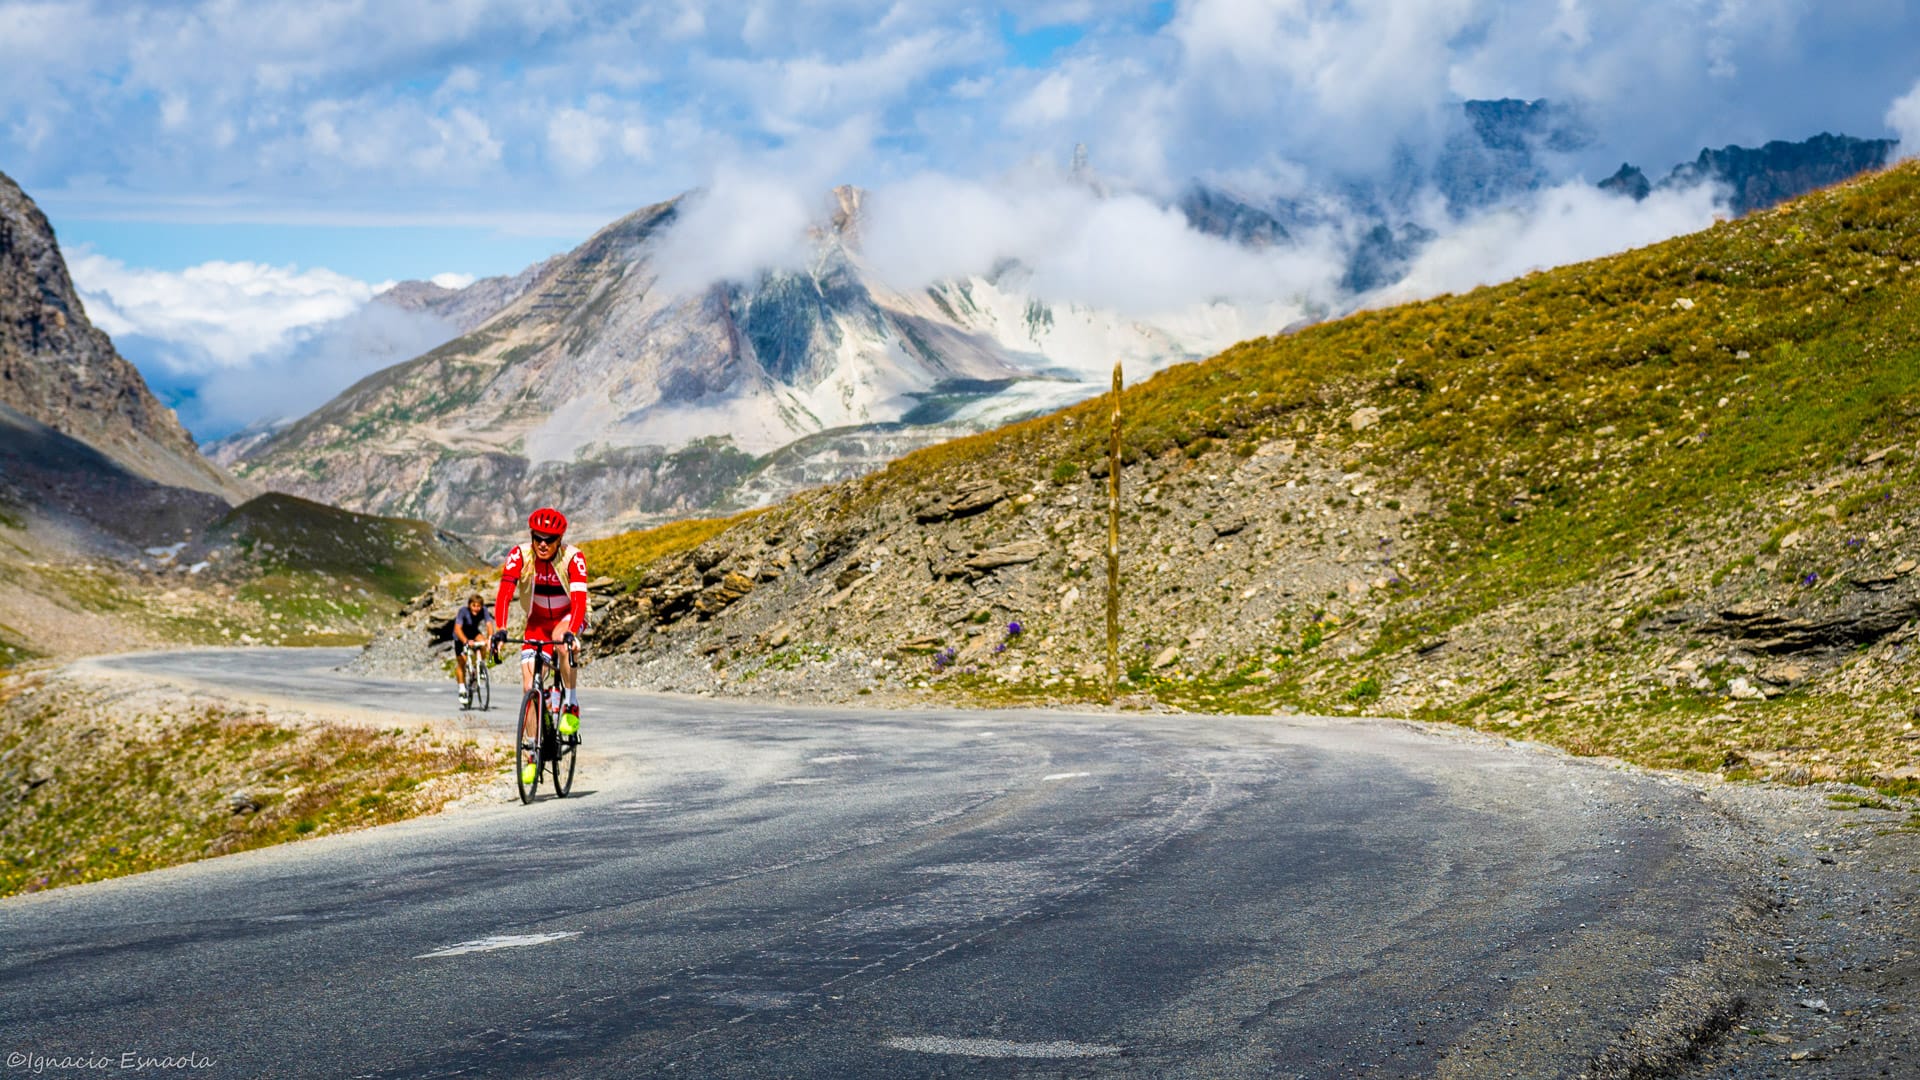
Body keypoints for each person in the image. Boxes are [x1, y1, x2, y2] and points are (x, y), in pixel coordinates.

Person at [490, 507, 589, 742]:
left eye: (549, 540)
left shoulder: (573, 558)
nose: (542, 544)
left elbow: (579, 601)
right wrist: (501, 629)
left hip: (568, 618)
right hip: (537, 621)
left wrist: (572, 632)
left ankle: (571, 704)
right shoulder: (520, 556)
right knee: (528, 686)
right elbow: (504, 594)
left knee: (562, 642)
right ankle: (532, 754)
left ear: (559, 540)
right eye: (537, 538)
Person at [451, 594, 494, 707]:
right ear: (469, 605)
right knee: (462, 662)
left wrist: (490, 638)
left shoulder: (484, 610)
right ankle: (462, 689)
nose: (476, 608)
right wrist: (465, 641)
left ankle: (478, 668)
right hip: (460, 636)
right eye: (473, 605)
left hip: (473, 632)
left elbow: (489, 624)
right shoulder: (463, 611)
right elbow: (457, 628)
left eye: (478, 606)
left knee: (483, 643)